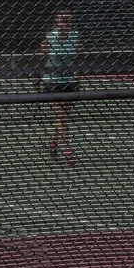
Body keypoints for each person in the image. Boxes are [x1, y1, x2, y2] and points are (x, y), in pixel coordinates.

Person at [40, 9, 80, 166]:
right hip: (52, 81)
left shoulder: (75, 37)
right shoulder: (50, 37)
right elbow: (39, 58)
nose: (66, 23)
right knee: (62, 116)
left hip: (70, 81)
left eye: (69, 20)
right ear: (57, 22)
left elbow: (81, 56)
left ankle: (53, 145)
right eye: (63, 20)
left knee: (62, 118)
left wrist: (77, 72)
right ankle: (68, 151)